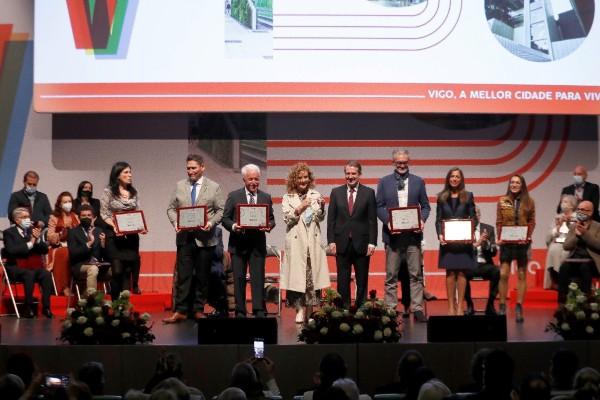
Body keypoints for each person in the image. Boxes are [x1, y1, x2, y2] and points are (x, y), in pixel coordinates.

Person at [164, 154, 227, 323]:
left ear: (202, 167)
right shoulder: (179, 186)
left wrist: (211, 223)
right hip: (185, 238)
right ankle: (181, 311)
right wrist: (175, 223)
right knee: (184, 276)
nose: (190, 171)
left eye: (193, 168)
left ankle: (198, 309)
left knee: (202, 276)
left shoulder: (214, 187)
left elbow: (221, 210)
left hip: (205, 239)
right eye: (188, 168)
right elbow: (171, 209)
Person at [376, 149, 430, 322]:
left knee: (416, 274)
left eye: (404, 162)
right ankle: (390, 309)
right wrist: (388, 222)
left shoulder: (418, 182)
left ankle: (418, 308)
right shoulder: (384, 182)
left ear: (409, 162)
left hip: (413, 236)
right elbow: (379, 206)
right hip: (392, 236)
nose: (401, 165)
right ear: (393, 162)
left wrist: (422, 220)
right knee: (391, 275)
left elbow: (426, 206)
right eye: (398, 162)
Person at [222, 164, 275, 318]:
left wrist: (268, 226)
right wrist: (234, 226)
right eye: (250, 179)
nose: (254, 182)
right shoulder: (234, 196)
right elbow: (225, 218)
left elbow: (271, 219)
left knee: (258, 278)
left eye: (256, 179)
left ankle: (258, 309)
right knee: (238, 279)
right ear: (244, 179)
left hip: (257, 245)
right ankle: (240, 310)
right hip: (238, 245)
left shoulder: (266, 197)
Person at [280, 163, 330, 323]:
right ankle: (299, 310)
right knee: (296, 279)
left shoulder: (315, 194)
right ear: (294, 180)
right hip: (296, 242)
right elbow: (287, 219)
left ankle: (310, 310)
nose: (303, 180)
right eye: (300, 178)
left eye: (305, 177)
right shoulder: (287, 197)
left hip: (312, 242)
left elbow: (320, 218)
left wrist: (322, 207)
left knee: (311, 278)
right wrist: (300, 207)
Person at [327, 160, 377, 308]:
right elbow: (331, 220)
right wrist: (331, 241)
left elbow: (372, 220)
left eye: (353, 173)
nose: (350, 176)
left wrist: (372, 242)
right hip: (341, 243)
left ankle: (361, 309)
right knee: (343, 280)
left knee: (362, 280)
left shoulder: (369, 193)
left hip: (362, 243)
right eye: (347, 173)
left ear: (359, 174)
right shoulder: (336, 193)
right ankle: (344, 310)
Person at [100, 161, 145, 300]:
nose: (129, 175)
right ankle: (114, 303)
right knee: (117, 271)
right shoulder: (108, 192)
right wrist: (115, 226)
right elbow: (104, 213)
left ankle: (124, 307)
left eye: (130, 172)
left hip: (131, 238)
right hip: (114, 236)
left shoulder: (133, 192)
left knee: (127, 272)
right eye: (126, 172)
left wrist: (140, 226)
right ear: (117, 175)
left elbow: (137, 212)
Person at [435, 167, 476, 316]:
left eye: (457, 176)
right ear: (448, 178)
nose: (454, 179)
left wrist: (469, 233)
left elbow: (473, 218)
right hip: (448, 242)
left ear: (461, 179)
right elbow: (438, 220)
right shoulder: (441, 197)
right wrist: (440, 234)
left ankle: (460, 308)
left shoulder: (468, 195)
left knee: (462, 274)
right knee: (450, 273)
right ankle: (451, 307)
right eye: (452, 176)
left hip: (463, 242)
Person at [496, 174, 535, 323]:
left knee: (521, 275)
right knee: (504, 274)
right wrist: (499, 237)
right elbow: (499, 222)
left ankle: (519, 306)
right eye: (512, 182)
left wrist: (528, 235)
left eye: (517, 182)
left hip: (522, 243)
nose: (514, 184)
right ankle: (502, 305)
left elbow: (532, 221)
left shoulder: (529, 201)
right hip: (506, 242)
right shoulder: (502, 201)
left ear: (522, 184)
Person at [2, 207, 53, 318]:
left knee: (46, 274)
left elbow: (44, 250)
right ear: (16, 220)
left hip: (32, 266)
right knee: (28, 274)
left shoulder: (32, 231)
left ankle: (46, 307)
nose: (28, 219)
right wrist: (31, 242)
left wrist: (38, 239)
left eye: (28, 217)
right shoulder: (9, 233)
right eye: (24, 217)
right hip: (15, 267)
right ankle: (28, 307)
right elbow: (12, 251)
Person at [559, 200, 600, 302]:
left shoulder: (598, 226)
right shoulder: (573, 226)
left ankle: (585, 304)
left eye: (582, 210)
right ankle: (562, 304)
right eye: (578, 210)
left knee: (585, 268)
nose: (579, 212)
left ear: (590, 212)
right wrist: (577, 235)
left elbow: (598, 245)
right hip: (574, 259)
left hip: (591, 261)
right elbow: (566, 246)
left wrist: (585, 233)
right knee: (563, 267)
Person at [464, 206, 500, 316]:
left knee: (497, 271)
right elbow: (463, 250)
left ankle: (490, 304)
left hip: (485, 264)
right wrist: (477, 243)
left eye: (476, 214)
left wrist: (488, 243)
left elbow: (494, 252)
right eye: (472, 214)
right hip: (470, 265)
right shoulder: (464, 228)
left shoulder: (488, 229)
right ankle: (470, 305)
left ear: (479, 216)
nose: (474, 216)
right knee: (461, 273)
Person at [67, 205, 110, 294]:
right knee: (93, 269)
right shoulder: (73, 232)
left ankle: (117, 302)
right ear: (79, 217)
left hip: (98, 264)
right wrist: (89, 243)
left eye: (89, 215)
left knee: (116, 270)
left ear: (93, 217)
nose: (86, 217)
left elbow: (104, 255)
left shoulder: (98, 230)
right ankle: (92, 302)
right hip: (81, 265)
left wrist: (103, 243)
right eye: (84, 215)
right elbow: (73, 253)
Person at [47, 191, 80, 296]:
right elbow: (50, 236)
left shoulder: (76, 216)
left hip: (75, 245)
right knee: (65, 253)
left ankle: (82, 286)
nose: (68, 204)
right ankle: (64, 287)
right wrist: (61, 234)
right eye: (65, 202)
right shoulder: (54, 217)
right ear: (60, 204)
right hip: (59, 247)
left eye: (69, 201)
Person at [544, 194, 577, 290]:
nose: (562, 204)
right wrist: (557, 227)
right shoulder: (558, 217)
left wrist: (567, 223)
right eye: (562, 202)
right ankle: (555, 279)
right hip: (558, 242)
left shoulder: (576, 217)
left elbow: (574, 234)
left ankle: (562, 280)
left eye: (565, 202)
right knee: (553, 247)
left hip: (570, 244)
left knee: (559, 249)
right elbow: (549, 237)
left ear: (572, 205)